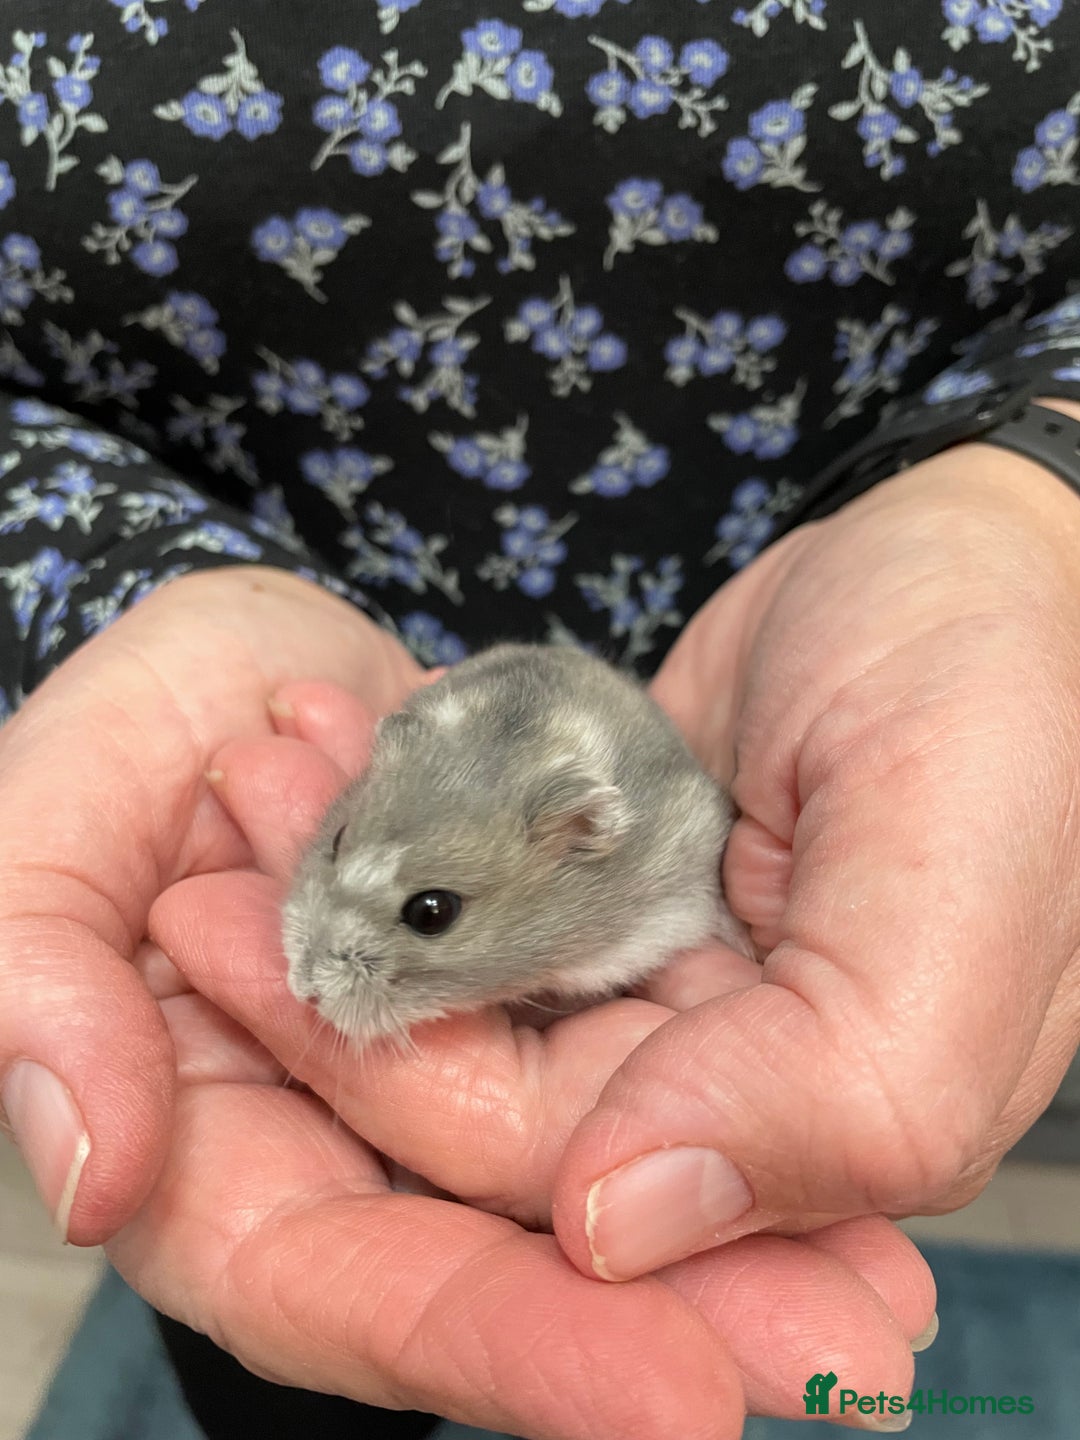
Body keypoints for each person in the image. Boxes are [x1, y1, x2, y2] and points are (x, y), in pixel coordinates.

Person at [1, 3, 1079, 1436]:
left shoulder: (616, 850)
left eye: (427, 913)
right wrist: (113, 578)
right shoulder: (418, 765)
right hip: (271, 583)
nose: (314, 954)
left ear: (582, 848)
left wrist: (1036, 485)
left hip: (773, 618)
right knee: (298, 1363)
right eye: (338, 853)